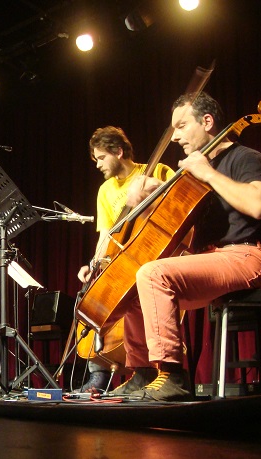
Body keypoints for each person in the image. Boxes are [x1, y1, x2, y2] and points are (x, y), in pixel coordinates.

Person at [110, 91, 261, 401]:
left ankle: (172, 374)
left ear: (207, 122)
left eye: (182, 126)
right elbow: (178, 228)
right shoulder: (194, 174)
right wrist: (151, 198)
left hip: (246, 256)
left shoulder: (245, 158)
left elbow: (258, 205)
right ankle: (143, 371)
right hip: (210, 258)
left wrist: (208, 173)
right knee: (132, 287)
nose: (175, 137)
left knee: (153, 274)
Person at [76, 126, 174, 392]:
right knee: (93, 298)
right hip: (123, 261)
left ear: (118, 152)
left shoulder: (156, 170)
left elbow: (177, 201)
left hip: (155, 256)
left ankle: (160, 371)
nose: (97, 164)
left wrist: (156, 188)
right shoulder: (105, 190)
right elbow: (106, 234)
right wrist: (93, 264)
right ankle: (108, 369)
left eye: (101, 158)